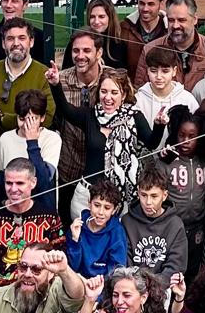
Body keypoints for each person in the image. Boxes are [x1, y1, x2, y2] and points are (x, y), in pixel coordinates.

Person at [50, 67, 154, 215]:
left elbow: (152, 143)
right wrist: (55, 84)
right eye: (103, 91)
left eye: (114, 92)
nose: (108, 97)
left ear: (123, 95)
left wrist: (160, 125)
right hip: (86, 198)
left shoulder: (134, 117)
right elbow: (66, 109)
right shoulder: (90, 116)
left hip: (119, 200)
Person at [0, 157, 63, 305]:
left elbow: (60, 262)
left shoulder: (50, 217)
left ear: (33, 183)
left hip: (37, 298)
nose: (13, 189)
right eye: (9, 183)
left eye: (20, 183)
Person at [0, 18, 55, 140]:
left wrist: (3, 119)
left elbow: (47, 117)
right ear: (3, 43)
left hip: (28, 152)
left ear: (31, 42)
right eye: (10, 39)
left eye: (22, 38)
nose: (16, 43)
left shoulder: (44, 75)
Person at [54, 29, 104, 210]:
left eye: (86, 51)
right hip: (68, 168)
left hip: (102, 170)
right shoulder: (60, 80)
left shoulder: (112, 80)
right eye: (76, 51)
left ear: (99, 53)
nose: (80, 56)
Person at [158, 113, 205, 273]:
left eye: (191, 136)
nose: (186, 140)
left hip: (196, 227)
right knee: (172, 267)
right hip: (172, 226)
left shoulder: (204, 160)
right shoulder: (167, 161)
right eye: (182, 135)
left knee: (192, 269)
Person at [0, 89, 62, 203]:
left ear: (42, 117)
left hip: (41, 208)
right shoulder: (5, 139)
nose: (26, 125)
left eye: (33, 119)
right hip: (12, 206)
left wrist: (32, 142)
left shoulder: (52, 139)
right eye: (22, 119)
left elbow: (43, 182)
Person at [134, 0, 205, 92]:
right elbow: (140, 90)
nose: (175, 26)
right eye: (171, 20)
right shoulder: (150, 49)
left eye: (181, 20)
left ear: (195, 19)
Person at [123, 168, 187, 281]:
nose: (148, 202)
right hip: (133, 287)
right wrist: (138, 287)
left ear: (164, 195)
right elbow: (125, 262)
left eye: (154, 196)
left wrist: (153, 288)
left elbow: (175, 267)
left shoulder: (175, 224)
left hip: (163, 288)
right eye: (144, 195)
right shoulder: (127, 221)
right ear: (138, 193)